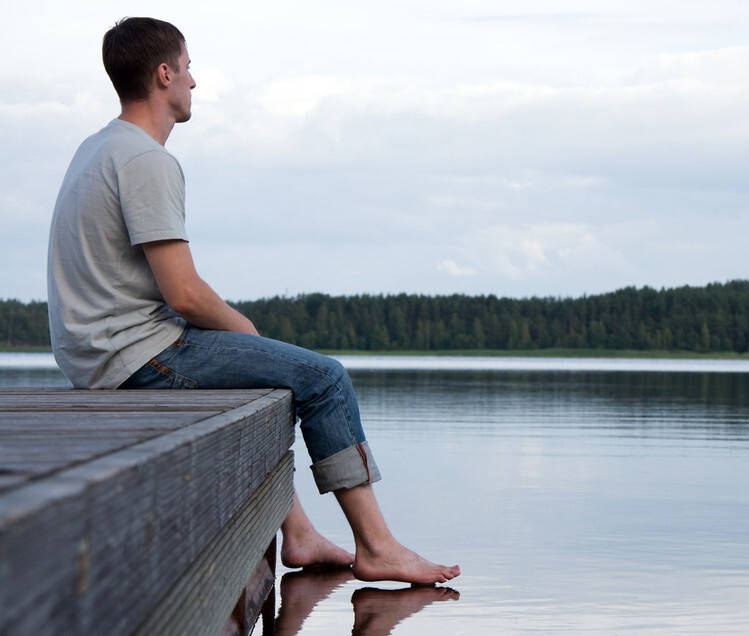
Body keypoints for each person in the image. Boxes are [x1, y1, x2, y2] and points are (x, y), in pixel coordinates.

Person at [46, 16, 459, 585]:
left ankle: (300, 531)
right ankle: (378, 546)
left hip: (95, 351)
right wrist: (246, 330)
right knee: (324, 378)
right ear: (163, 74)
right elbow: (185, 295)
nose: (195, 82)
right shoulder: (146, 160)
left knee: (261, 373)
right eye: (188, 69)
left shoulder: (98, 148)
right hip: (134, 354)